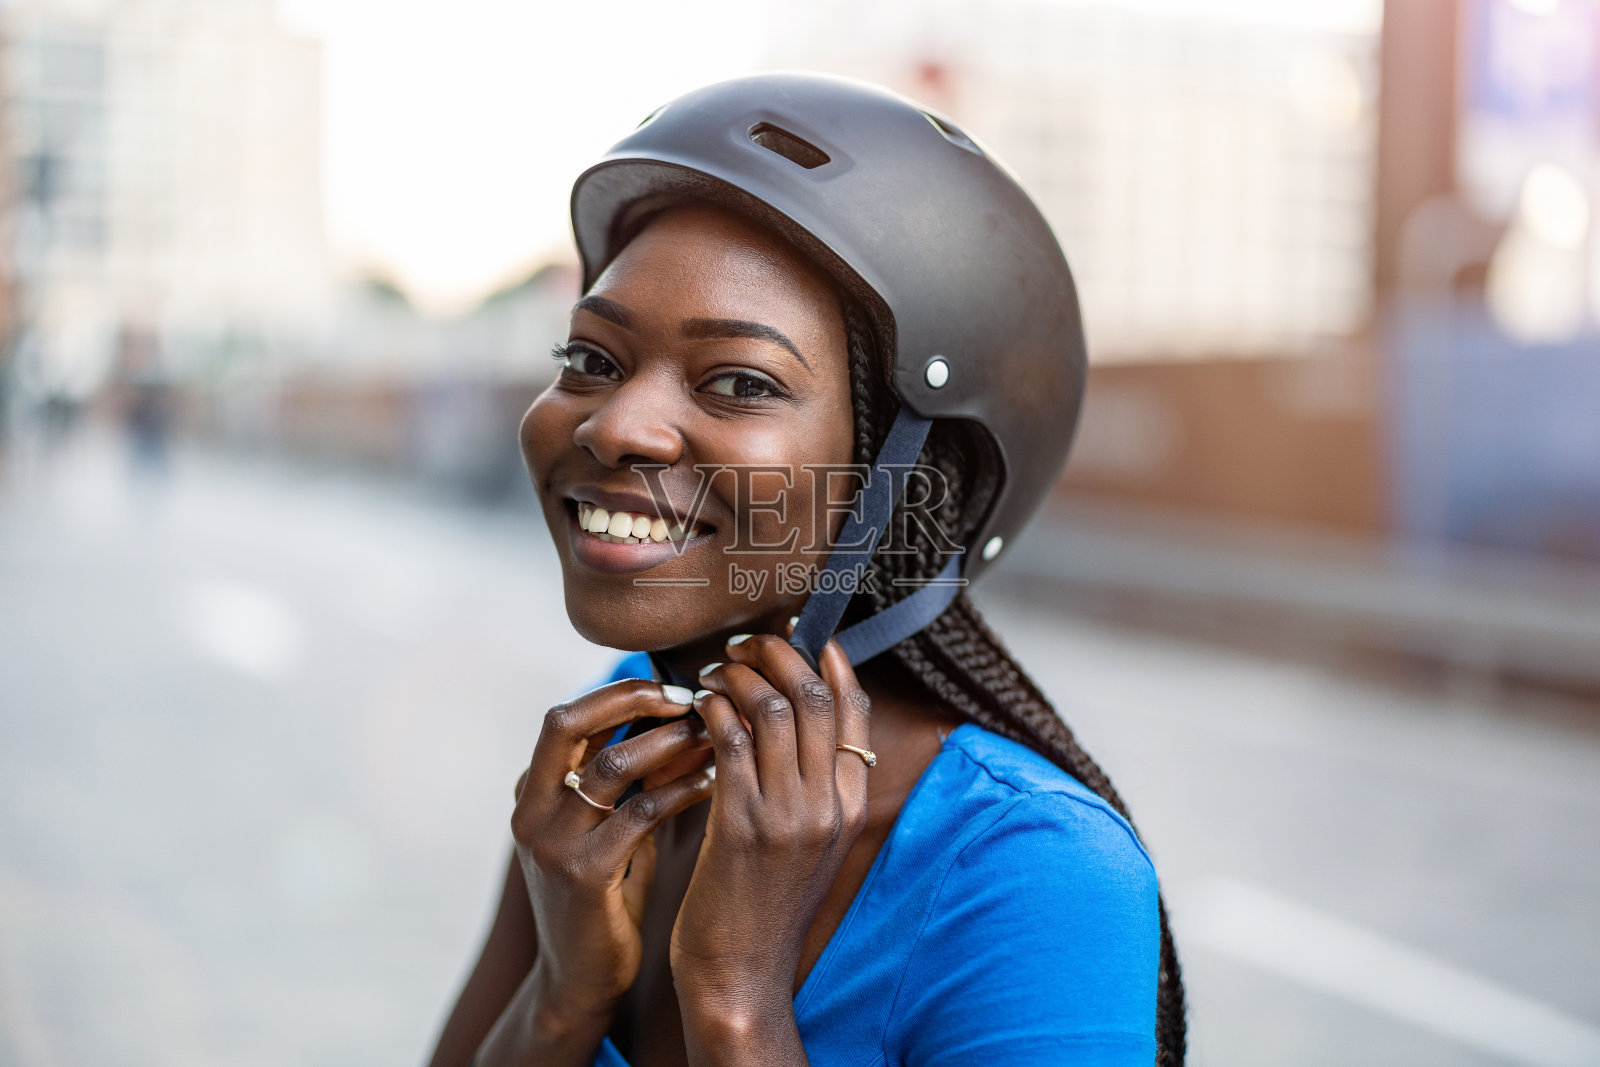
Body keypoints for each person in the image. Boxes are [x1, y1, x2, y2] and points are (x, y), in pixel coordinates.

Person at [428, 72, 1186, 1067]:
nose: (615, 425)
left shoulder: (1034, 870)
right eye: (592, 359)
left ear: (910, 476)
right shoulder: (625, 739)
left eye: (739, 381)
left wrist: (735, 999)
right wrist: (563, 999)